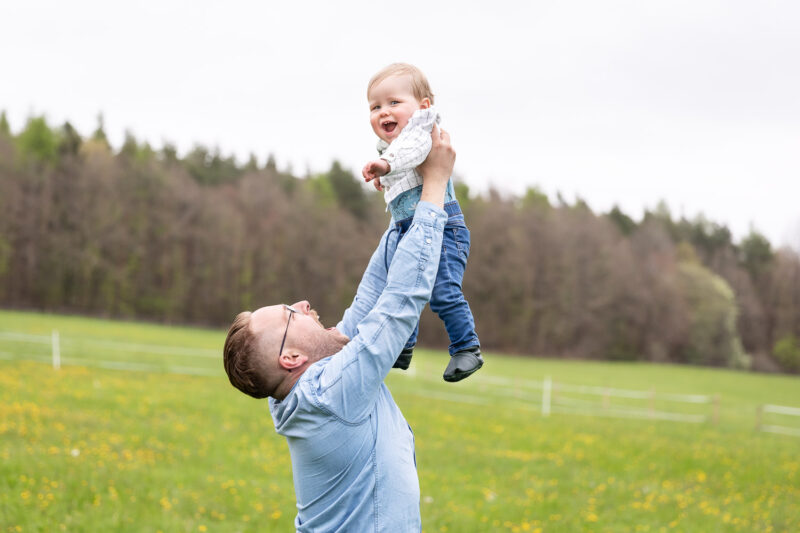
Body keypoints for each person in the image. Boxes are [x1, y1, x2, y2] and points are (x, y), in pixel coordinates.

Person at [223, 126, 456, 532]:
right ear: (291, 358)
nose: (302, 304)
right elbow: (399, 302)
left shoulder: (306, 386)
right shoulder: (329, 394)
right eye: (290, 314)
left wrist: (403, 199)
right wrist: (435, 188)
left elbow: (373, 296)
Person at [362, 63, 482, 382]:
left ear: (423, 107)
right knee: (400, 288)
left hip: (443, 229)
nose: (383, 111)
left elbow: (411, 152)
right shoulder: (390, 147)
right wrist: (384, 177)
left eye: (393, 103)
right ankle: (403, 346)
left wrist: (385, 165)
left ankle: (466, 347)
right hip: (406, 228)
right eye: (376, 106)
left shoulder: (424, 131)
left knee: (442, 290)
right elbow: (403, 166)